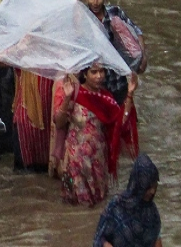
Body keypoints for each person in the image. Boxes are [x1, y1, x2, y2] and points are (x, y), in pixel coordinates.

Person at [54, 65, 139, 206]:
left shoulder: (106, 97)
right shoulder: (75, 94)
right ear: (85, 74)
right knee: (75, 201)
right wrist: (67, 98)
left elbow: (119, 124)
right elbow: (59, 123)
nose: (99, 76)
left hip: (97, 159)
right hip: (76, 160)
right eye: (94, 72)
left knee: (97, 200)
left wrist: (129, 94)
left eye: (102, 71)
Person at [84, 0, 148, 106]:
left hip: (117, 79)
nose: (95, 3)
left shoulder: (115, 12)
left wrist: (143, 56)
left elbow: (137, 32)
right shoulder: (82, 17)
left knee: (122, 117)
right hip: (93, 81)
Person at [94, 154, 162, 247]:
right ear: (138, 185)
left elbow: (157, 239)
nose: (152, 191)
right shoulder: (116, 206)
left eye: (154, 186)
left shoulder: (152, 211)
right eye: (148, 187)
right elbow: (99, 238)